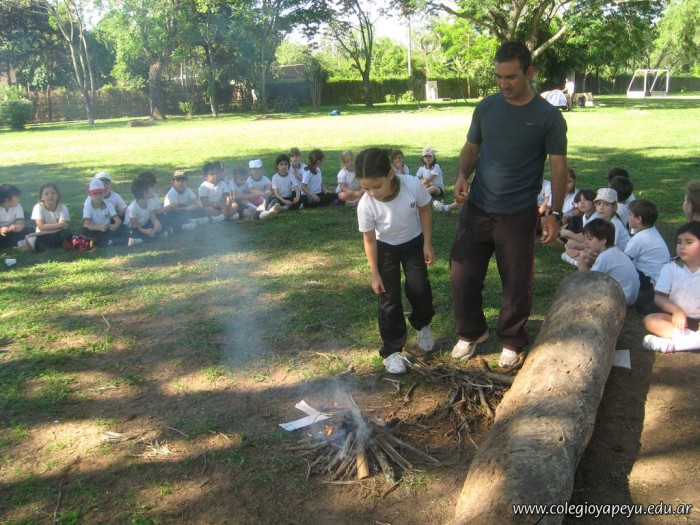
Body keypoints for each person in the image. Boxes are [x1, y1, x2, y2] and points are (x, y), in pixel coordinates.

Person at [449, 41, 569, 368]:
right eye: (499, 77)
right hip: (477, 207)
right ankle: (472, 332)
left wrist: (555, 213)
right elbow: (471, 147)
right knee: (462, 274)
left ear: (530, 72)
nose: (503, 84)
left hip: (517, 213)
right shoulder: (486, 108)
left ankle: (512, 339)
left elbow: (559, 167)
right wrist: (461, 175)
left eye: (511, 77)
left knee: (516, 281)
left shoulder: (548, 117)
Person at [356, 148, 435, 374]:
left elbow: (425, 210)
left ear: (390, 174)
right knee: (388, 298)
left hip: (413, 243)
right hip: (385, 248)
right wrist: (375, 273)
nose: (372, 192)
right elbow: (369, 239)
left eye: (376, 186)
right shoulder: (366, 204)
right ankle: (392, 350)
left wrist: (427, 243)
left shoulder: (411, 185)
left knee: (419, 288)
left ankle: (422, 324)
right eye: (366, 188)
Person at [642, 221, 700, 353]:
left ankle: (674, 345)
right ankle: (694, 341)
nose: (682, 246)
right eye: (679, 242)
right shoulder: (671, 268)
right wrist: (676, 311)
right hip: (678, 320)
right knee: (650, 320)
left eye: (689, 242)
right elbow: (659, 297)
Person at [577, 218, 640, 306]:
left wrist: (582, 259)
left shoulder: (604, 257)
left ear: (603, 240)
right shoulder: (614, 251)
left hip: (621, 300)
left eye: (590, 239)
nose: (586, 243)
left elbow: (588, 279)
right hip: (630, 297)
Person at [625, 199, 671, 313]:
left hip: (650, 281)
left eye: (629, 214)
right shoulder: (651, 231)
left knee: (621, 270)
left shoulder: (639, 239)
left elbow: (624, 260)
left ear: (638, 219)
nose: (627, 217)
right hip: (661, 279)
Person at [30, 183, 73, 251]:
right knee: (42, 239)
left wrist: (59, 226)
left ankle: (52, 244)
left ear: (58, 195)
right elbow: (42, 227)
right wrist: (59, 226)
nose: (50, 196)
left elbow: (63, 227)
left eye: (53, 193)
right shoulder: (38, 207)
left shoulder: (63, 208)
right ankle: (58, 243)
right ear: (42, 197)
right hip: (42, 235)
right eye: (46, 194)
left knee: (67, 233)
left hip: (57, 233)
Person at [81, 178, 122, 247]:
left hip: (107, 230)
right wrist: (99, 227)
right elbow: (86, 225)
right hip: (94, 230)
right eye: (95, 194)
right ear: (90, 195)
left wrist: (115, 225)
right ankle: (109, 241)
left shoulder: (108, 204)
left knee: (122, 228)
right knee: (83, 230)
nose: (98, 196)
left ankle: (101, 241)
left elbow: (118, 220)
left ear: (104, 193)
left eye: (100, 193)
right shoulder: (88, 206)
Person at [560, 189, 597, 265]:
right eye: (579, 201)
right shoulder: (584, 216)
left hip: (595, 246)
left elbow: (585, 239)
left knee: (586, 256)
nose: (582, 203)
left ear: (594, 203)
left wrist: (568, 233)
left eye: (586, 200)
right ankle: (577, 259)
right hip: (587, 243)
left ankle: (575, 261)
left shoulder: (596, 218)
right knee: (570, 243)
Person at [126, 177, 163, 246]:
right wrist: (145, 231)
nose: (154, 190)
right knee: (134, 233)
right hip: (133, 228)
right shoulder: (133, 207)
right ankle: (138, 239)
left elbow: (153, 218)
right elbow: (134, 225)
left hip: (143, 225)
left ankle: (139, 240)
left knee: (159, 226)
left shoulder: (149, 202)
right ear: (144, 192)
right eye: (151, 188)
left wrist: (157, 224)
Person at [0, 184, 33, 250]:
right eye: (17, 197)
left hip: (13, 231)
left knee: (31, 230)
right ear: (7, 200)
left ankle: (13, 243)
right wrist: (1, 230)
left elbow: (20, 223)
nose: (18, 199)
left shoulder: (17, 206)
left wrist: (16, 228)